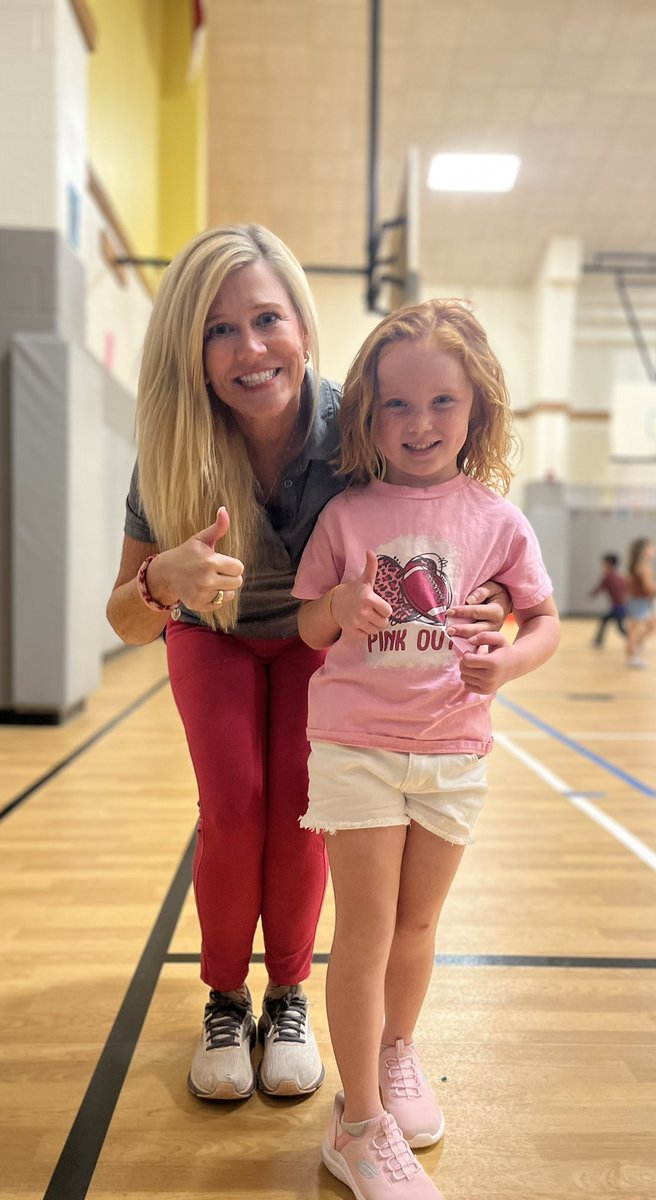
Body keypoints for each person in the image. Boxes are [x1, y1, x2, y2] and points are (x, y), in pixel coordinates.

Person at [106, 226, 510, 1106]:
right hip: (210, 634)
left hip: (315, 639)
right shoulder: (172, 446)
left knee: (299, 803)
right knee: (234, 802)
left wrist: (498, 603)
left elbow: (443, 505)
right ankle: (225, 995)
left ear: (300, 323)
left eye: (265, 319)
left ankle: (288, 996)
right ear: (192, 349)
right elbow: (125, 620)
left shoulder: (349, 429)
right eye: (219, 330)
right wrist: (159, 580)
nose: (249, 349)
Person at [293, 299, 560, 1199]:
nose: (419, 423)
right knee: (365, 930)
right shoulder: (345, 515)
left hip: (454, 745)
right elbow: (305, 621)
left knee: (416, 926)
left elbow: (546, 618)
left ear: (476, 409)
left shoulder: (497, 519)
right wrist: (336, 610)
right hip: (357, 743)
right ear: (366, 413)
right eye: (396, 405)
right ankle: (358, 1121)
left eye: (442, 403)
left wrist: (511, 660)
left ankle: (395, 1053)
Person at [625, 537, 656, 668]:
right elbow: (649, 587)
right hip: (639, 601)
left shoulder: (637, 565)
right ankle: (632, 656)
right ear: (644, 550)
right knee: (635, 629)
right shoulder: (644, 566)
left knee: (647, 625)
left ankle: (635, 646)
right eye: (651, 548)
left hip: (639, 601)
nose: (653, 551)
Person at [588, 552, 628, 647]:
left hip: (618, 607)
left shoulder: (608, 576)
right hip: (619, 606)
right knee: (609, 622)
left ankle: (635, 640)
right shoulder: (619, 576)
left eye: (603, 563)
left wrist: (592, 594)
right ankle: (598, 641)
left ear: (609, 563)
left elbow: (600, 587)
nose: (601, 565)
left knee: (619, 627)